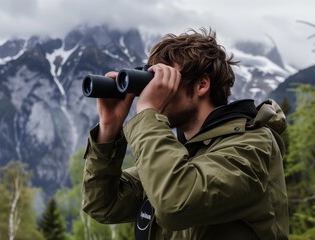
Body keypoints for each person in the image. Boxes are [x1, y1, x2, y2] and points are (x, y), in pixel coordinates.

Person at [82, 28, 289, 240]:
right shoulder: (183, 154)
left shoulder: (252, 145)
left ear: (201, 85)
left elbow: (175, 204)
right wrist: (109, 128)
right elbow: (103, 205)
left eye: (166, 80)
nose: (154, 90)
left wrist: (147, 112)